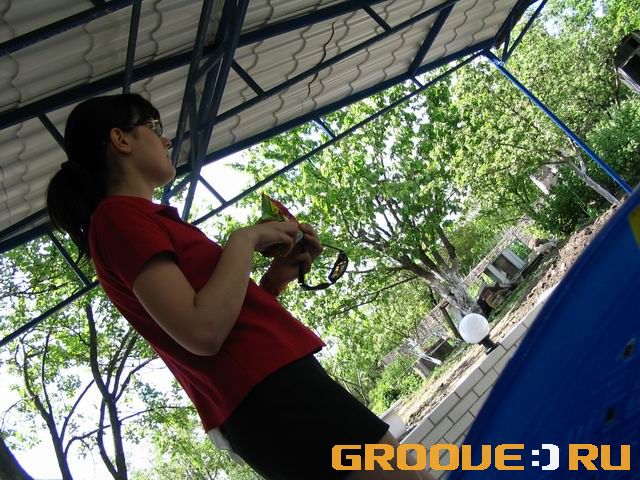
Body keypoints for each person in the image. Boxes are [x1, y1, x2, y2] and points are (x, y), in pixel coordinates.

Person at [46, 93, 434, 480]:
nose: (166, 140)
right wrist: (244, 239)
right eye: (153, 127)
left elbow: (220, 322)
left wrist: (273, 281)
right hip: (272, 397)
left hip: (273, 391)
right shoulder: (117, 218)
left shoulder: (141, 218)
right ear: (121, 139)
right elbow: (202, 331)